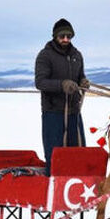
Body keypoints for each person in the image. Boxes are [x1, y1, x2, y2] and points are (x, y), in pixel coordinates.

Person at [34, 18, 91, 174]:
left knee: (78, 153)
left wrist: (83, 82)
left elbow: (80, 76)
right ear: (55, 36)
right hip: (53, 113)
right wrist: (62, 85)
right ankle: (53, 189)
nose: (66, 39)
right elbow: (40, 82)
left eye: (69, 36)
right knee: (55, 156)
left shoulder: (77, 55)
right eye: (62, 36)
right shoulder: (45, 55)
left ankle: (77, 189)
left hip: (74, 112)